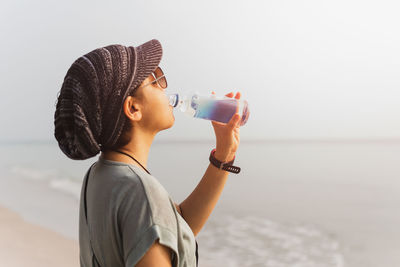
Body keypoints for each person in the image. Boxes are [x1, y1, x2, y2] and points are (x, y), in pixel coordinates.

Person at [54, 39, 242, 267]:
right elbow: (153, 218)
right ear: (133, 108)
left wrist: (224, 155)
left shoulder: (100, 175)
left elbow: (171, 228)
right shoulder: (139, 191)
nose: (165, 87)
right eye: (155, 80)